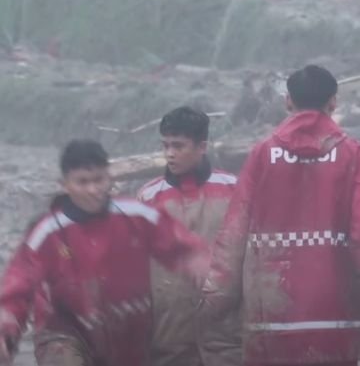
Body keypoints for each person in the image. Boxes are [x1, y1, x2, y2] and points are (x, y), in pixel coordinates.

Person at [199, 65, 360, 366]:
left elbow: (234, 232)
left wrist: (217, 298)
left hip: (270, 316)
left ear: (288, 102)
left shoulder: (261, 155)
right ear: (333, 102)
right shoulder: (356, 156)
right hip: (334, 318)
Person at [0, 139, 208, 366]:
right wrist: (5, 328)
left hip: (129, 333)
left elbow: (184, 248)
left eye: (98, 180)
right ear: (64, 184)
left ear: (109, 178)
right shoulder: (46, 233)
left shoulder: (137, 216)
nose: (92, 190)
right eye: (82, 182)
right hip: (65, 334)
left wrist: (205, 270)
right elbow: (17, 286)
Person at [138, 106, 241, 366]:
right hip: (169, 334)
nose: (169, 154)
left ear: (202, 146)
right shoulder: (148, 198)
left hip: (227, 334)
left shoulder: (233, 189)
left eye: (179, 146)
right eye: (165, 145)